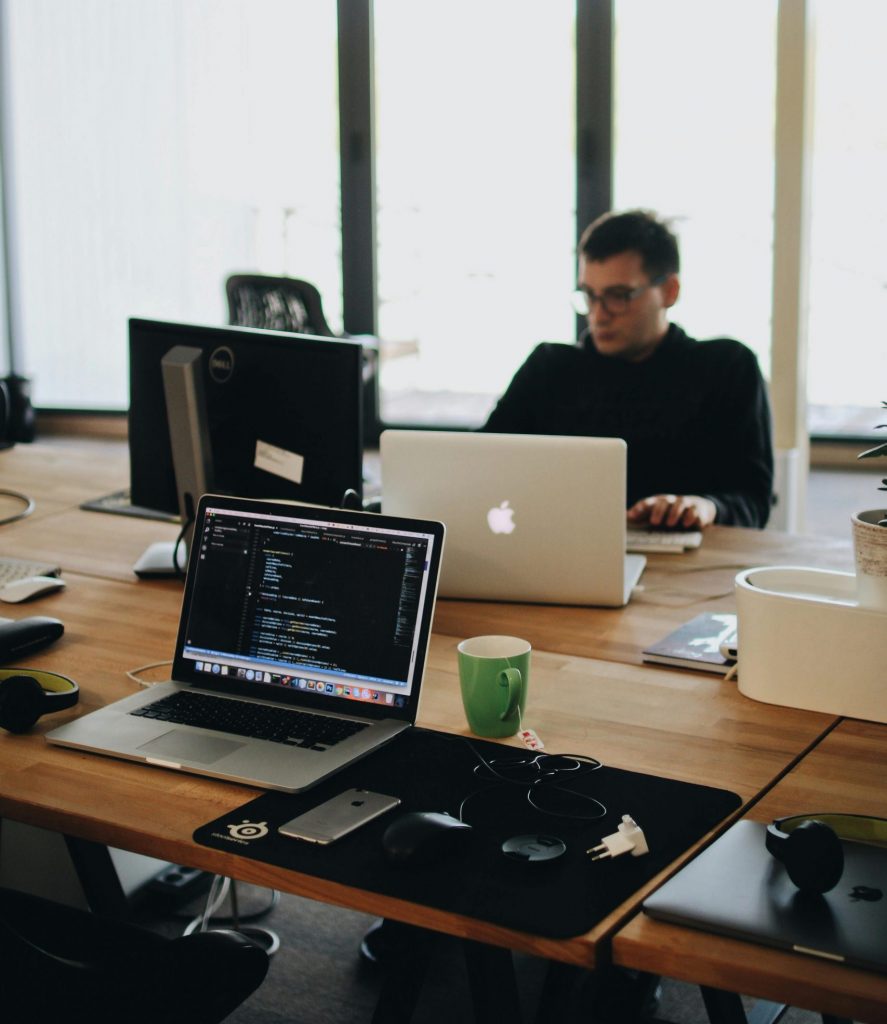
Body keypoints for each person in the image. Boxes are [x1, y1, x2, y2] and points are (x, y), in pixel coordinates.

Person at [483, 209, 774, 529]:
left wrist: (706, 507)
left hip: (690, 555)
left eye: (618, 296)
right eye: (589, 295)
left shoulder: (727, 368)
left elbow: (754, 501)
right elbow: (480, 463)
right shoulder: (549, 368)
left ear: (670, 291)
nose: (598, 315)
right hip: (561, 548)